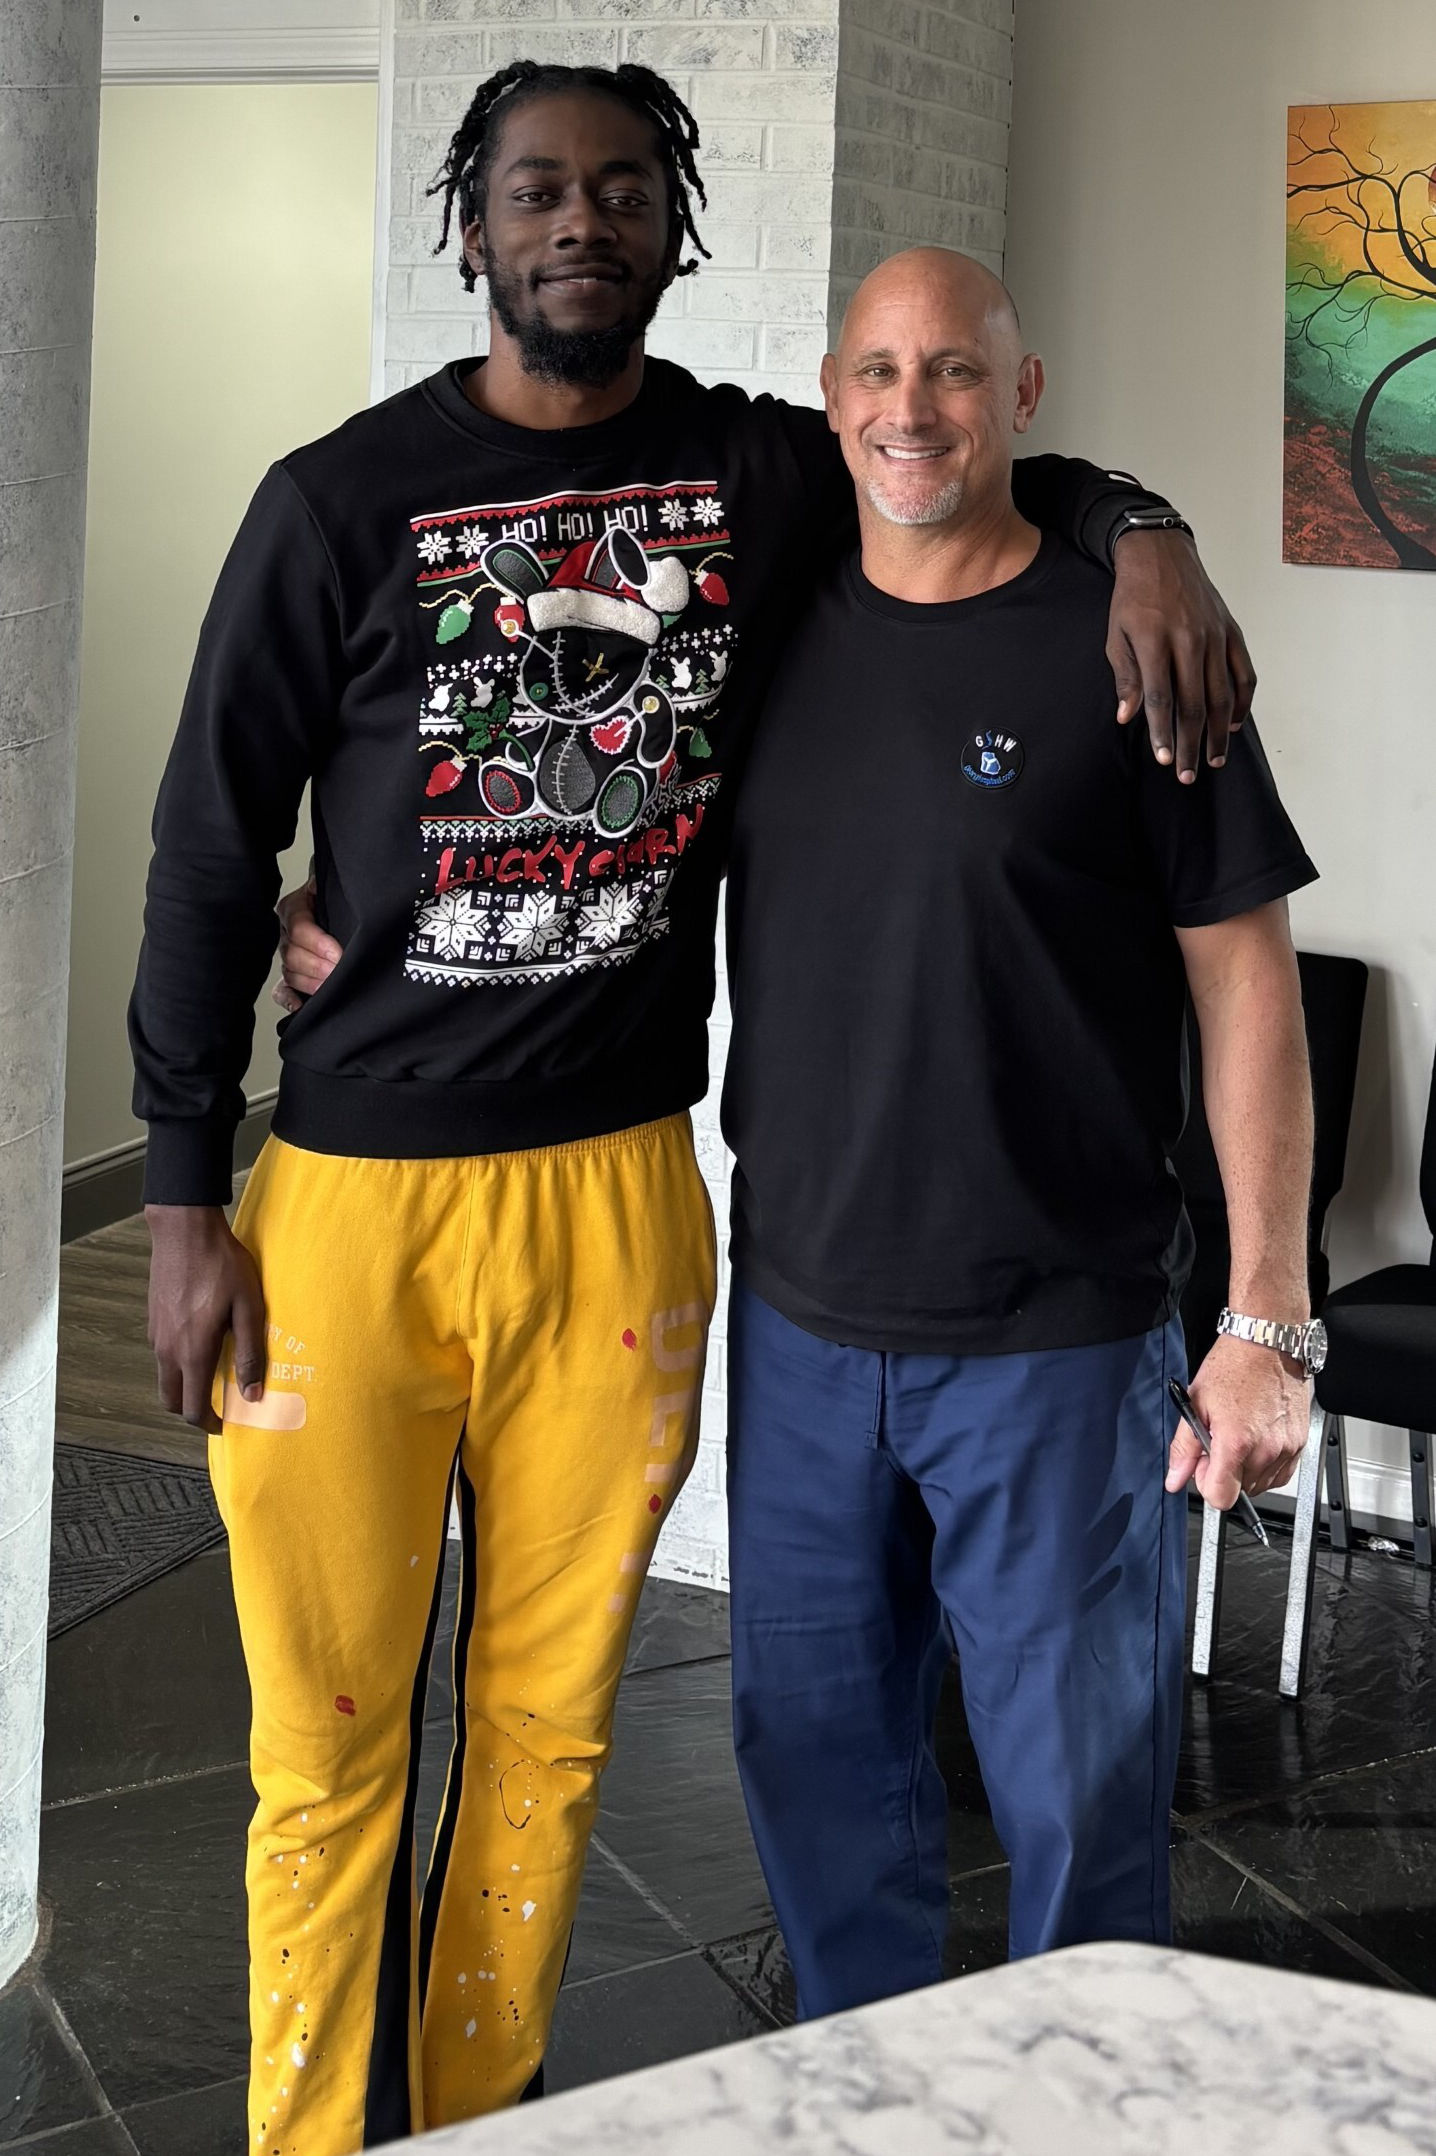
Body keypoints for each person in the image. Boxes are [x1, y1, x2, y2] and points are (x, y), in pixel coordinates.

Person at [132, 59, 1254, 2156]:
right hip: (347, 1200)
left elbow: (967, 448)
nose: (581, 224)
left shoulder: (751, 472)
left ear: (674, 228)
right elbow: (211, 852)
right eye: (537, 191)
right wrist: (183, 1187)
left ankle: (480, 2112)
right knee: (332, 1745)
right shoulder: (332, 498)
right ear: (470, 227)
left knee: (548, 1737)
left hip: (626, 1196)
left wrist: (1151, 535)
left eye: (624, 191)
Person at [715, 247, 1320, 2013]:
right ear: (832, 397)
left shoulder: (1139, 649)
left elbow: (1249, 992)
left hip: (1060, 1340)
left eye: (957, 373)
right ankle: (860, 2092)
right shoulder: (771, 624)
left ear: (1024, 394)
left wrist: (1267, 1316)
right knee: (820, 1779)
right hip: (804, 1326)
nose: (915, 410)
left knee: (1078, 1812)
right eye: (880, 373)